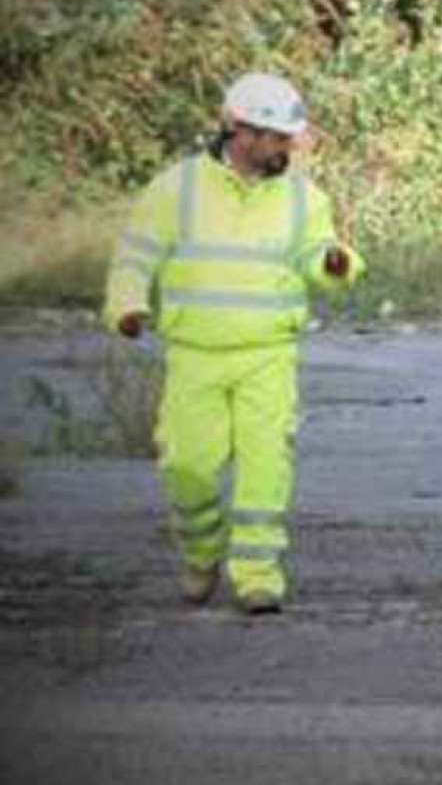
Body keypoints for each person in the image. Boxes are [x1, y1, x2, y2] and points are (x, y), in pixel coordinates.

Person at [104, 73, 364, 615]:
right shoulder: (177, 189)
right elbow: (135, 255)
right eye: (275, 137)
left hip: (267, 356)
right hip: (194, 355)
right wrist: (127, 305)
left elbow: (317, 252)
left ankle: (257, 577)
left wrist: (335, 263)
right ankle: (201, 553)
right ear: (237, 130)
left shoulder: (303, 198)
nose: (286, 147)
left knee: (265, 468)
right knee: (186, 466)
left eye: (288, 138)